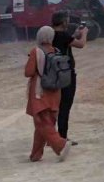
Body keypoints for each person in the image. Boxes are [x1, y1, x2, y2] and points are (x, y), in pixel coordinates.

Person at [26, 26, 72, 162]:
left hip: (40, 92)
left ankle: (60, 144)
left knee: (41, 121)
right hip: (55, 92)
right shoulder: (56, 51)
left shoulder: (36, 51)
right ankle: (36, 154)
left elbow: (28, 72)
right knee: (46, 122)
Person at [51, 11, 87, 145]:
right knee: (65, 106)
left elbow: (65, 43)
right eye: (67, 20)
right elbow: (81, 44)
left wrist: (74, 35)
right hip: (66, 75)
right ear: (63, 22)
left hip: (52, 75)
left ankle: (51, 136)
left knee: (54, 106)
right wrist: (84, 34)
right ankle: (61, 137)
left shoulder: (50, 34)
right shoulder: (63, 35)